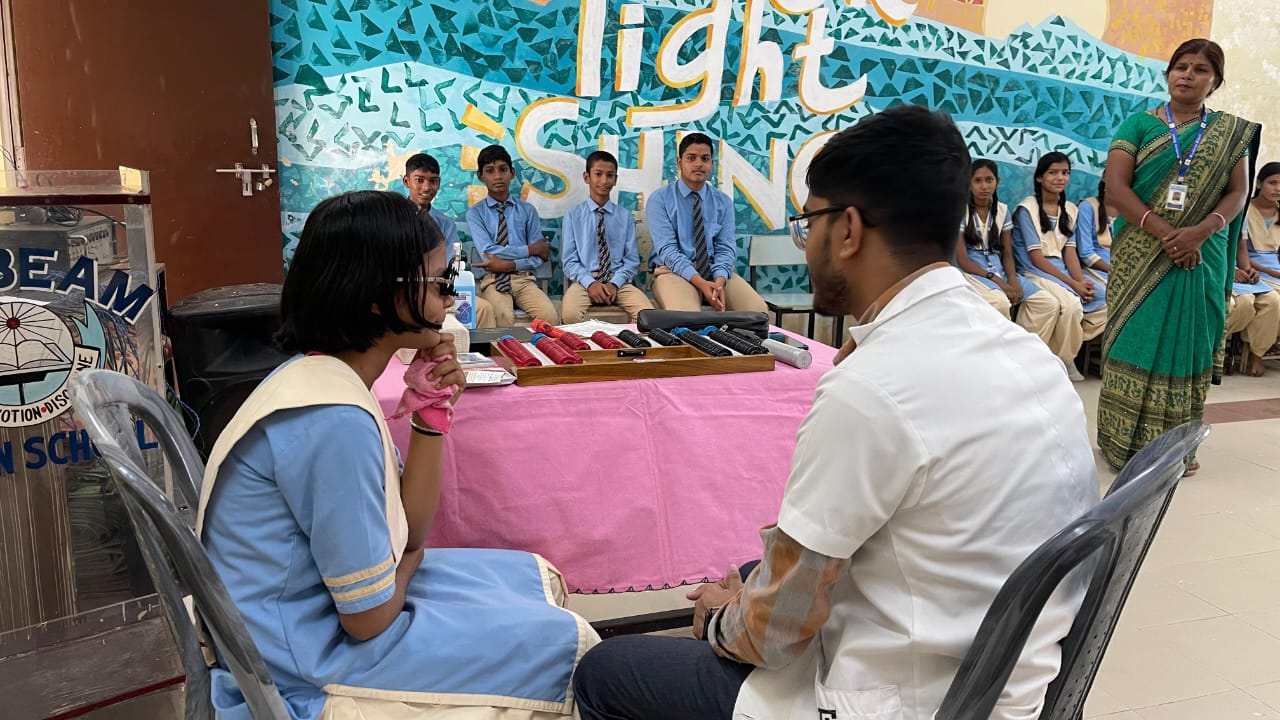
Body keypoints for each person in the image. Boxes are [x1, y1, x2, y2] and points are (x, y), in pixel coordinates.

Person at [572, 106, 1097, 720]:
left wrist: (719, 618)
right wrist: (758, 583)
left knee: (606, 672)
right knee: (752, 570)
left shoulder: (870, 390)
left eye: (808, 223)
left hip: (904, 697)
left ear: (847, 230)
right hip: (1009, 676)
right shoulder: (1022, 349)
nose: (807, 241)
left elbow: (771, 636)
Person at [197, 191, 596, 718]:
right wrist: (407, 560)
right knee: (572, 651)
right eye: (439, 283)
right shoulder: (332, 418)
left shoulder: (326, 377)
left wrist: (431, 419)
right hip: (302, 664)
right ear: (376, 297)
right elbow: (368, 616)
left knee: (531, 576)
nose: (451, 299)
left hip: (308, 622)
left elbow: (410, 528)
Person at [1097, 38, 1260, 473]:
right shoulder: (1138, 125)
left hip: (1201, 257)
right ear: (1168, 73)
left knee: (1188, 346)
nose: (1187, 75)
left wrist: (1201, 232)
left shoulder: (1229, 134)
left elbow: (1238, 191)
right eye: (1181, 66)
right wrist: (1170, 233)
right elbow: (1116, 188)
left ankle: (1174, 450)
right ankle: (1122, 444)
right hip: (1141, 252)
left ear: (1216, 81)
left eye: (1200, 69)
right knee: (1134, 338)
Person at [1012, 152, 1108, 381]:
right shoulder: (1027, 209)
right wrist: (1073, 284)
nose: (1060, 178)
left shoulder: (1070, 210)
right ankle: (1063, 358)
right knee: (1070, 304)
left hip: (1062, 273)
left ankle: (1060, 355)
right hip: (1034, 272)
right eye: (1053, 173)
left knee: (1102, 297)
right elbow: (1037, 259)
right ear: (1039, 178)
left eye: (1065, 173)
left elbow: (1070, 253)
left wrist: (1081, 281)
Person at [646, 133, 768, 312]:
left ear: (712, 163)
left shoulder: (723, 202)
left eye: (705, 158)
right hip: (672, 272)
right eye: (691, 158)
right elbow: (667, 250)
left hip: (715, 271)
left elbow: (725, 248)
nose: (698, 164)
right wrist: (700, 282)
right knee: (687, 316)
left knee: (758, 311)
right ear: (680, 163)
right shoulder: (660, 199)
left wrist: (719, 281)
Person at [954, 158, 1061, 336]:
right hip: (974, 274)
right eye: (977, 181)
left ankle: (1026, 349)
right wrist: (998, 281)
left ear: (997, 182)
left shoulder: (1003, 211)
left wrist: (1011, 280)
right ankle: (1001, 353)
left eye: (989, 180)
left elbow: (1007, 253)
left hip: (1001, 272)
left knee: (1047, 304)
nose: (984, 186)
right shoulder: (960, 211)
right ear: (969, 183)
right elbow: (962, 260)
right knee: (1000, 302)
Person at [466, 145, 559, 326]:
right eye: (490, 171)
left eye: (503, 169)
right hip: (492, 280)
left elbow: (538, 257)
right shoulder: (475, 214)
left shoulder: (527, 211)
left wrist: (509, 264)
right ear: (480, 176)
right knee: (502, 319)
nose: (497, 176)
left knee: (550, 317)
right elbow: (488, 251)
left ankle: (537, 354)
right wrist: (530, 249)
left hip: (524, 279)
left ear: (512, 173)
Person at [402, 153, 497, 328]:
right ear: (407, 182)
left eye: (433, 181)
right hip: (404, 290)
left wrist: (438, 286)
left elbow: (452, 263)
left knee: (483, 309)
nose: (427, 187)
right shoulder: (394, 218)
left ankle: (473, 355)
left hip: (438, 290)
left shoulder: (445, 224)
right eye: (419, 180)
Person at [559, 151, 654, 323]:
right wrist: (590, 283)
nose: (604, 181)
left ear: (615, 179)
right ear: (587, 177)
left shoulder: (624, 217)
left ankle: (627, 345)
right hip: (584, 281)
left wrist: (614, 283)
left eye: (610, 176)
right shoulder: (573, 216)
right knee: (569, 315)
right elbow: (569, 261)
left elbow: (631, 260)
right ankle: (587, 349)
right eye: (598, 174)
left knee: (647, 315)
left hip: (618, 281)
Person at [1244, 162, 1280, 290]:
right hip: (1250, 270)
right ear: (1259, 183)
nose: (1278, 189)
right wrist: (1272, 272)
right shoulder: (1244, 210)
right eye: (1272, 183)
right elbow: (1240, 253)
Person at [1075, 179, 1115, 284]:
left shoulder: (1130, 212)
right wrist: (1115, 272)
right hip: (1095, 272)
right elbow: (1086, 254)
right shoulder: (1088, 207)